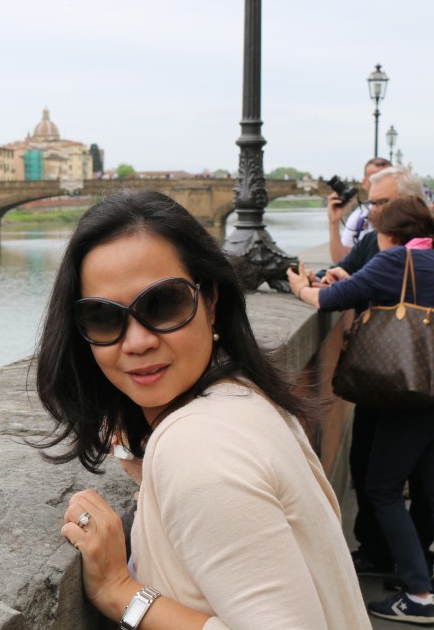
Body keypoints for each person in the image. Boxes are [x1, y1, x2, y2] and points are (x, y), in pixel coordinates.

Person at [34, 189, 368, 629]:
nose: (136, 342)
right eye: (103, 316)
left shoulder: (195, 448)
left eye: (164, 303)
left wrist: (121, 591)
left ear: (211, 301)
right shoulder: (244, 394)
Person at [289, 195, 434, 624]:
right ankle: (418, 569)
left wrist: (300, 286)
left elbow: (328, 301)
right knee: (425, 485)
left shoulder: (396, 262)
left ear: (389, 234)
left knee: (382, 488)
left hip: (411, 392)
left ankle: (419, 595)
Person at [328, 157, 392, 263]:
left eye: (385, 179)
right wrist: (333, 223)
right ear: (364, 183)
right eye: (374, 179)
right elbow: (342, 263)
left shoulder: (407, 218)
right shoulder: (359, 217)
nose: (379, 184)